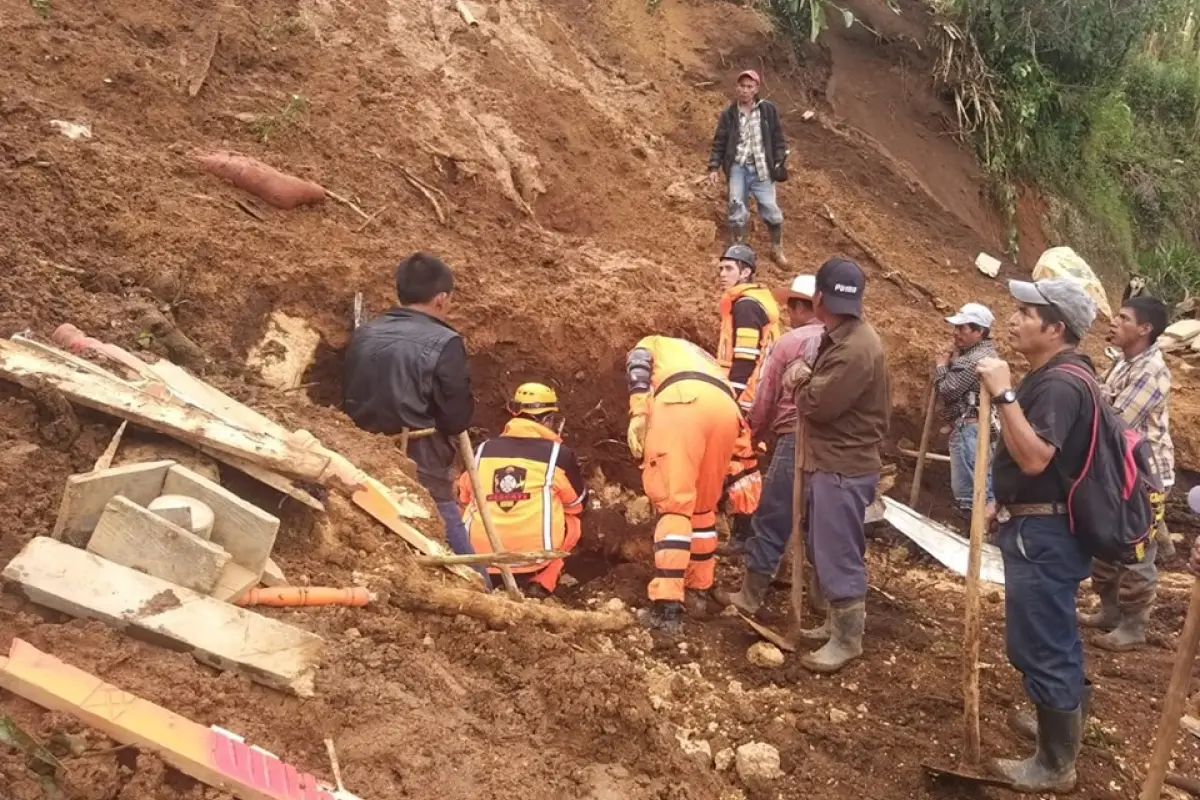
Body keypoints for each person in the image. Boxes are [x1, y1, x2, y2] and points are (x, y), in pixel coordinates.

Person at [977, 278, 1099, 793]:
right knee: (1050, 634)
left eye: (1026, 313)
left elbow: (1034, 457)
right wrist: (995, 498)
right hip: (1038, 525)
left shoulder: (1060, 385)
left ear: (1055, 327)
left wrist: (1003, 392)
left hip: (1043, 534)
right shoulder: (1055, 377)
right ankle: (1061, 720)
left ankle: (1055, 762)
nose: (1013, 320)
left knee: (1041, 642)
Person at [342, 252, 477, 566]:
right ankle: (485, 588)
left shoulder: (364, 334)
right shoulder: (445, 342)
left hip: (362, 456)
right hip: (421, 463)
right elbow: (456, 418)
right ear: (441, 299)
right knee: (454, 543)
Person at [791, 258, 890, 674]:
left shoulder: (854, 349)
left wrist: (799, 381)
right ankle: (835, 622)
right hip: (832, 460)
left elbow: (820, 405)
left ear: (818, 299)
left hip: (843, 465)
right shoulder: (845, 336)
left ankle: (847, 639)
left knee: (837, 552)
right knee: (824, 546)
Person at [625, 335, 743, 633]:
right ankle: (698, 591)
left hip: (681, 401)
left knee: (675, 506)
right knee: (702, 508)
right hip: (727, 411)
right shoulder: (704, 358)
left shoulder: (653, 342)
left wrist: (639, 411)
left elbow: (637, 364)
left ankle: (667, 608)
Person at [723, 274, 824, 610]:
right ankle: (823, 600)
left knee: (773, 514)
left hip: (794, 437)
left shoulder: (789, 343)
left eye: (791, 308)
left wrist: (752, 433)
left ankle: (750, 595)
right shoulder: (844, 341)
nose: (788, 315)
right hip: (836, 444)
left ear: (800, 308)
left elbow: (765, 397)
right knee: (822, 518)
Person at [1078, 296, 1174, 651]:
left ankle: (1134, 625)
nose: (1114, 322)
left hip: (1145, 474)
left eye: (1123, 317)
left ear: (1145, 329)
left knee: (1136, 547)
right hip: (1120, 470)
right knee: (1107, 540)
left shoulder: (1152, 371)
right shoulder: (1124, 362)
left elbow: (1115, 422)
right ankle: (1110, 610)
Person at [455, 383, 587, 598]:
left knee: (467, 508)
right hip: (533, 560)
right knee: (573, 521)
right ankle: (543, 581)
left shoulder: (481, 450)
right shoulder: (558, 455)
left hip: (480, 557)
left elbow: (464, 496)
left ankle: (482, 577)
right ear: (547, 420)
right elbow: (577, 504)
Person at [715, 243, 782, 550]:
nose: (722, 274)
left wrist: (731, 398)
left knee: (741, 460)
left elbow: (743, 358)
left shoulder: (746, 305)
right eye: (720, 268)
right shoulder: (755, 302)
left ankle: (746, 531)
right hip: (756, 393)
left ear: (746, 272)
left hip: (746, 395)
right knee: (745, 459)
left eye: (728, 268)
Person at [706, 69, 790, 265]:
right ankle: (739, 249)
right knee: (736, 207)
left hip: (762, 168)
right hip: (738, 167)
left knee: (771, 210)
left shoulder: (768, 110)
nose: (744, 90)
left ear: (756, 89)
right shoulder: (729, 114)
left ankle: (777, 249)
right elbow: (719, 142)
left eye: (749, 87)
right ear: (737, 88)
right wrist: (713, 167)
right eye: (742, 86)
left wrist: (779, 160)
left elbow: (778, 138)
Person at [934, 302, 998, 515]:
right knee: (982, 490)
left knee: (970, 495)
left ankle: (977, 543)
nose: (956, 333)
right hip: (977, 429)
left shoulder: (973, 360)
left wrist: (941, 365)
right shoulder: (985, 354)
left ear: (979, 332)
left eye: (963, 329)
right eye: (956, 328)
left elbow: (947, 390)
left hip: (969, 431)